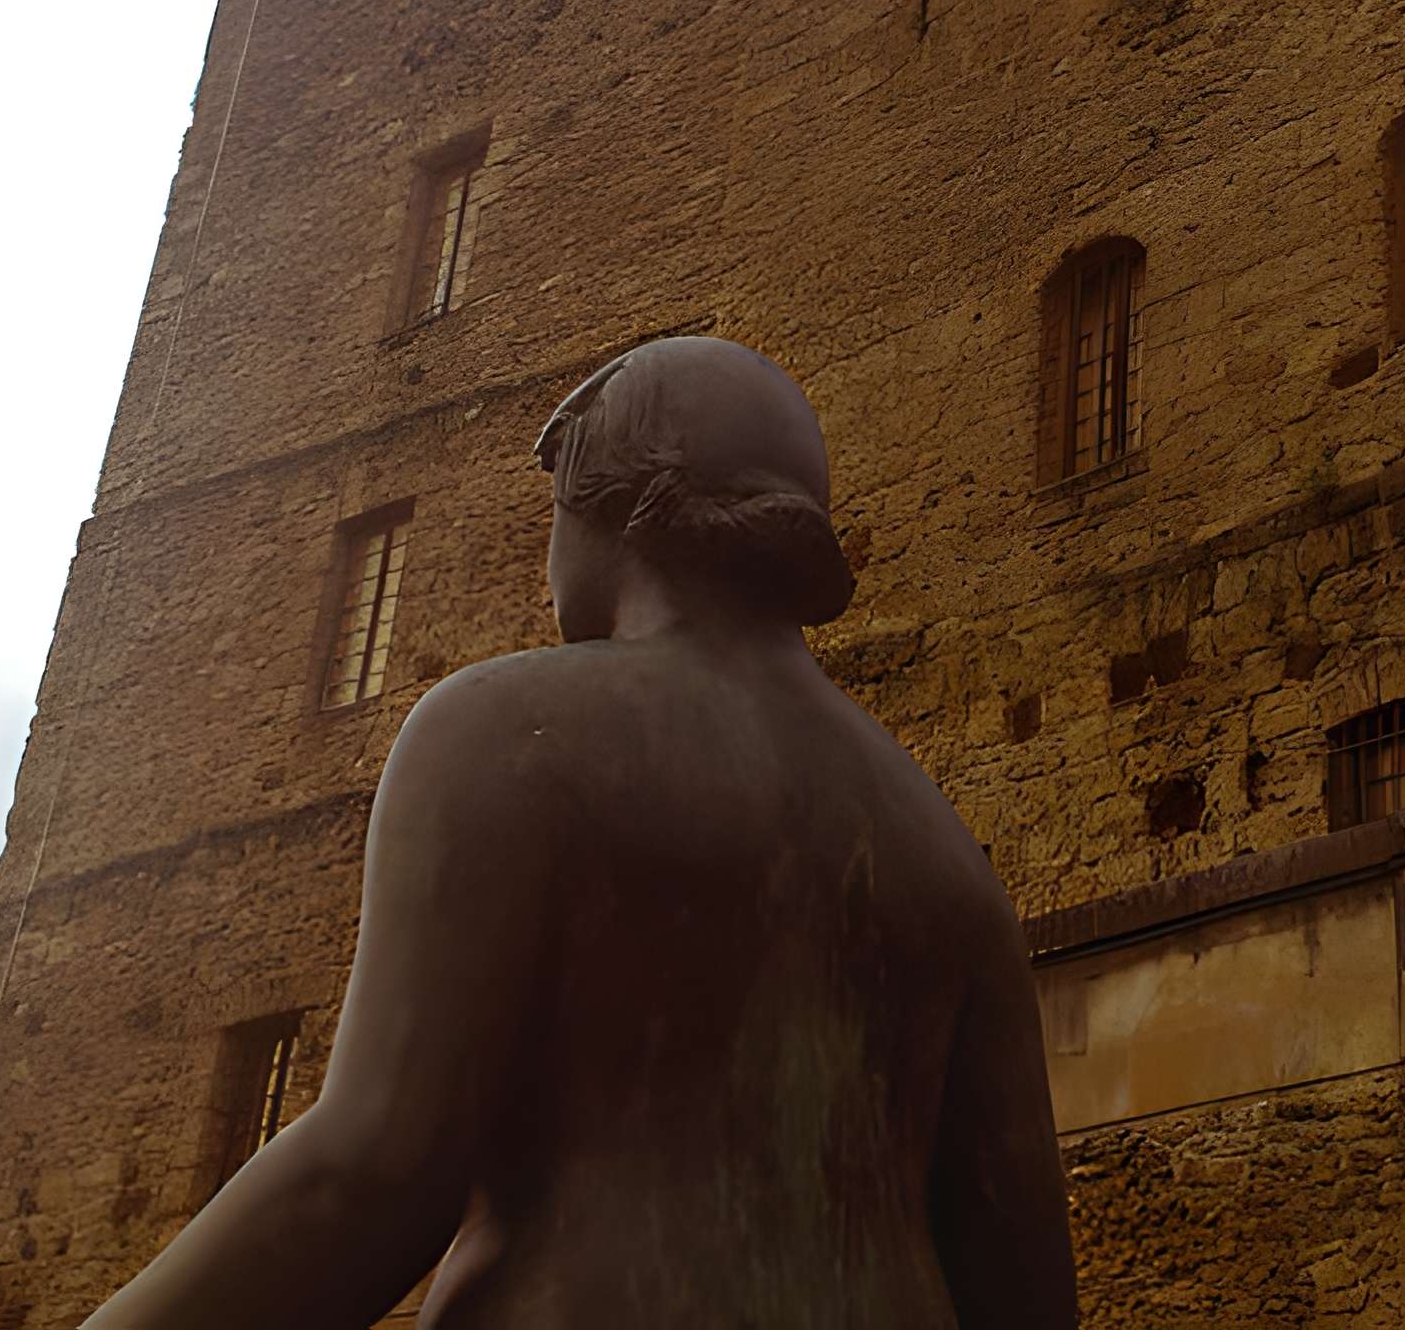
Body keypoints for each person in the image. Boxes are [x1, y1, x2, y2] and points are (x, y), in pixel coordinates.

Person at [83, 335, 1077, 1329]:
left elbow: (372, 1172)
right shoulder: (945, 854)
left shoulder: (508, 733)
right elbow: (1026, 1287)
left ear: (606, 512)